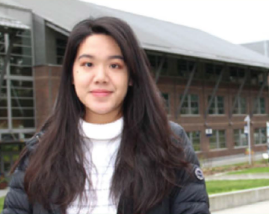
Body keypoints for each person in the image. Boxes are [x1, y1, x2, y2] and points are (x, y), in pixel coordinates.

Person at [1, 17, 209, 214]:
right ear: (72, 75)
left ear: (131, 76)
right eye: (88, 64)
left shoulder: (170, 144)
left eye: (115, 65)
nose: (100, 77)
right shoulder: (39, 151)